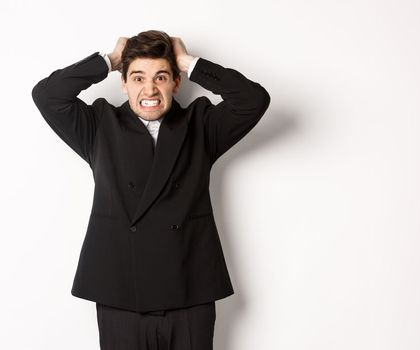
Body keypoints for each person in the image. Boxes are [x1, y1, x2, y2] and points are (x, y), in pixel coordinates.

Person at [31, 30, 271, 350]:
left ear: (176, 82)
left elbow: (254, 100)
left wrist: (189, 62)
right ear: (124, 82)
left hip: (189, 291)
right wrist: (108, 61)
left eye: (160, 76)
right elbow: (47, 95)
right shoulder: (99, 124)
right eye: (138, 77)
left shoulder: (201, 124)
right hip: (121, 294)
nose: (149, 89)